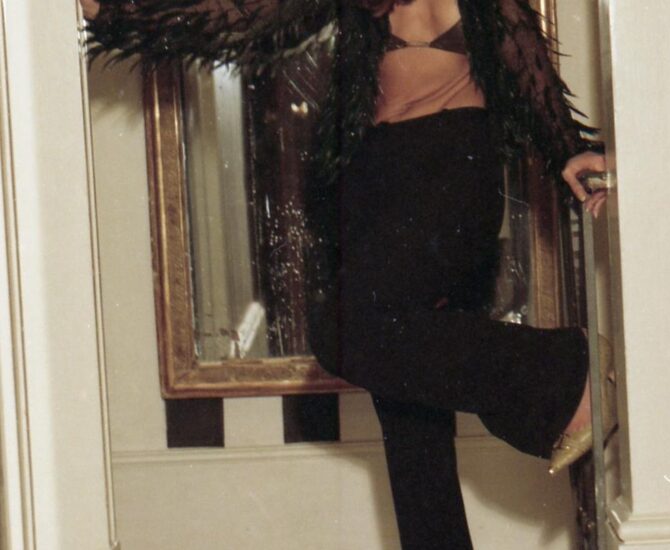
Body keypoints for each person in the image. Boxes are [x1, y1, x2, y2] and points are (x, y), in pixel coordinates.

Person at [83, 1, 612, 548]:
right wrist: (119, 14)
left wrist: (570, 150)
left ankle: (564, 369)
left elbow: (531, 74)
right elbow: (239, 17)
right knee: (408, 410)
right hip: (376, 183)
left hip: (452, 172)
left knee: (344, 331)